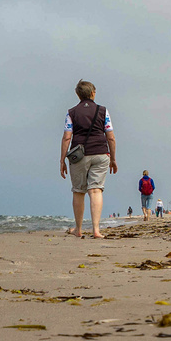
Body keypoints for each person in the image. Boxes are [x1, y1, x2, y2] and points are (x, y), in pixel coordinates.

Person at [58, 79, 117, 238]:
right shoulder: (103, 111)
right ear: (93, 93)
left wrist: (62, 159)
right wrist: (113, 158)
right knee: (96, 190)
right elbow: (110, 136)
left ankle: (78, 229)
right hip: (100, 153)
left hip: (79, 156)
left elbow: (66, 138)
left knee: (78, 192)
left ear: (78, 95)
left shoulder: (72, 112)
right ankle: (96, 230)